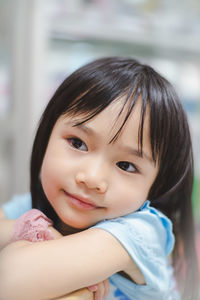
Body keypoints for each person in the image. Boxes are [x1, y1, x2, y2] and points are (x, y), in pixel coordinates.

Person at [0, 57, 199, 300]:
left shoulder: (140, 232)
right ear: (47, 134)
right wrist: (27, 229)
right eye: (78, 143)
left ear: (156, 184)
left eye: (126, 165)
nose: (92, 178)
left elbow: (10, 281)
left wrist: (19, 235)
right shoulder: (30, 206)